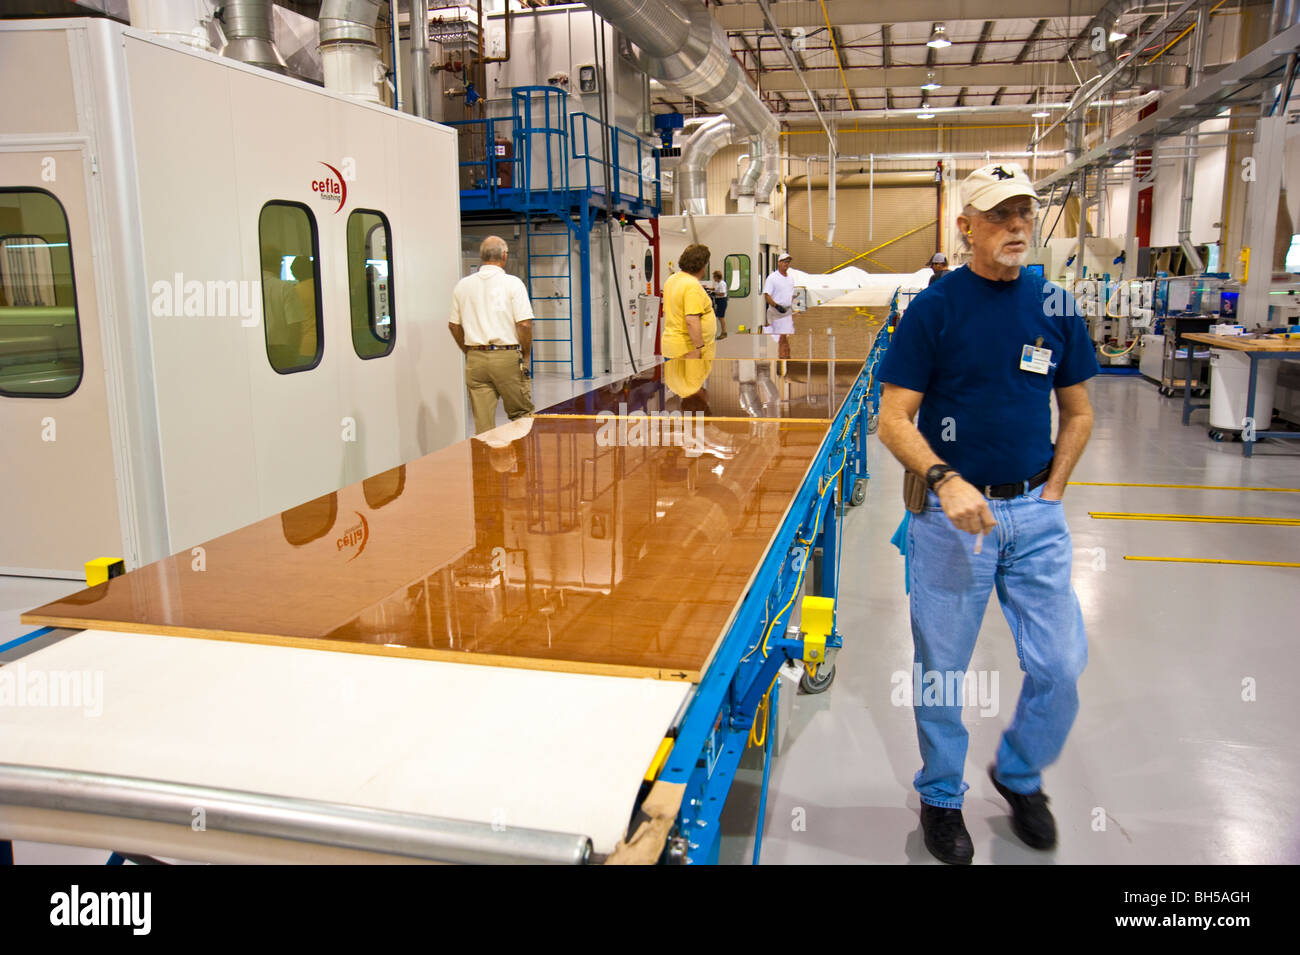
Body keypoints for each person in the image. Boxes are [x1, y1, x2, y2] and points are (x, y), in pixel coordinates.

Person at [876, 162, 1100, 865]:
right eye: (999, 215)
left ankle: (1020, 772)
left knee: (1061, 661)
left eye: (1024, 213)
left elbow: (1081, 412)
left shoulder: (1056, 304)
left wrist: (1054, 490)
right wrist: (943, 480)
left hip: (1036, 512)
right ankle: (943, 794)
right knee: (944, 665)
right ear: (965, 225)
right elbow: (892, 418)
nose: (1016, 226)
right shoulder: (935, 308)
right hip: (952, 523)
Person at [448, 235, 535, 434]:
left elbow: (453, 325)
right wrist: (526, 353)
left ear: (481, 256)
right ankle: (521, 462)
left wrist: (468, 351)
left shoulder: (463, 285)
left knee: (483, 426)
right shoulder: (513, 283)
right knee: (521, 415)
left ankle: (484, 463)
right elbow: (524, 324)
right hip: (506, 357)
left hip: (475, 360)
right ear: (504, 256)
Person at [661, 243, 717, 361]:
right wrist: (698, 349)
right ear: (702, 265)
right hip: (687, 350)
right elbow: (691, 320)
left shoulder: (672, 280)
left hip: (672, 347)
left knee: (674, 378)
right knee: (690, 380)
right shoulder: (692, 285)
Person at [763, 251, 796, 359]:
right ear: (779, 263)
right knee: (778, 336)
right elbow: (767, 295)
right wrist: (777, 306)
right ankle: (780, 358)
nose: (786, 264)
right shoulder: (772, 278)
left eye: (788, 262)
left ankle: (785, 358)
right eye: (784, 261)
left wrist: (792, 308)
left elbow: (791, 295)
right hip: (776, 313)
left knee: (786, 336)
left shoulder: (791, 279)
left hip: (787, 313)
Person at [709, 269, 729, 338]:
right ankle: (723, 332)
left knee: (721, 317)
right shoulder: (718, 283)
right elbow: (715, 289)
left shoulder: (722, 283)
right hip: (719, 301)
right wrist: (708, 288)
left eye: (714, 277)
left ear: (717, 277)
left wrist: (714, 293)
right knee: (720, 317)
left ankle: (724, 332)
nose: (713, 278)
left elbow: (722, 293)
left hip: (722, 301)